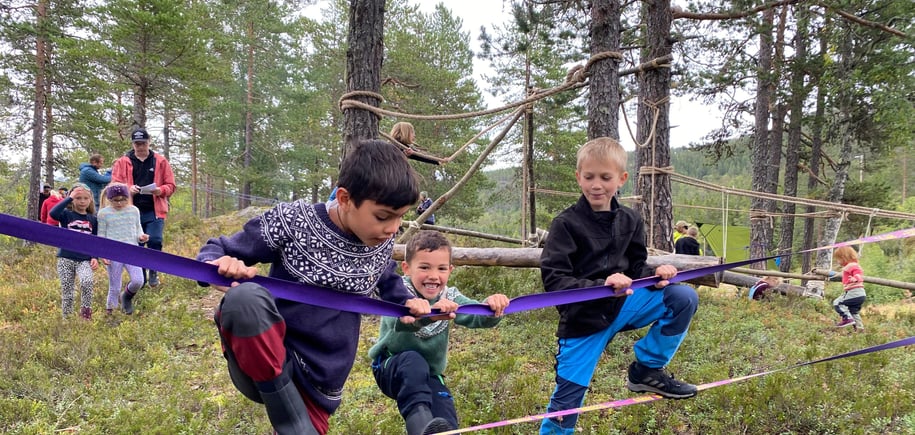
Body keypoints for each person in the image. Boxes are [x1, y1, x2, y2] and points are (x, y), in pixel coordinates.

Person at [196, 139, 436, 435]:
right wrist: (222, 264)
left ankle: (292, 421)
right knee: (245, 298)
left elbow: (388, 282)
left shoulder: (380, 243)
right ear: (345, 199)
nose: (393, 228)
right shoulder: (293, 222)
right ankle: (291, 421)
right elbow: (215, 249)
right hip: (266, 356)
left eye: (401, 217)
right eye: (383, 216)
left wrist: (410, 303)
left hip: (321, 376)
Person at [538, 137, 699, 434]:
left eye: (605, 177)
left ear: (621, 179)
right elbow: (554, 280)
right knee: (567, 404)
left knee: (682, 298)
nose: (596, 185)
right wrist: (602, 284)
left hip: (625, 305)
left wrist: (656, 271)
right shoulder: (566, 224)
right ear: (578, 177)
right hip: (583, 321)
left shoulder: (631, 219)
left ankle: (646, 369)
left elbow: (637, 266)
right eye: (589, 177)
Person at [369, 230, 509, 435]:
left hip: (430, 375)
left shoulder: (449, 297)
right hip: (390, 367)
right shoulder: (399, 293)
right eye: (424, 267)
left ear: (450, 270)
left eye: (441, 268)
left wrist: (493, 307)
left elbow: (476, 316)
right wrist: (428, 315)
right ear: (407, 268)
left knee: (446, 419)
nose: (434, 276)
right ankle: (421, 428)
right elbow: (399, 324)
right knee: (412, 361)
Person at [111, 128, 176, 288]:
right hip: (130, 211)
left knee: (155, 240)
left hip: (154, 209)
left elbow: (171, 185)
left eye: (143, 143)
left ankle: (154, 270)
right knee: (136, 245)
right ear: (133, 144)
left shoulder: (160, 161)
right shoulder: (122, 162)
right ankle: (141, 278)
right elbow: (113, 184)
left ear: (149, 142)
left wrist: (160, 190)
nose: (140, 146)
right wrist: (127, 189)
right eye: (137, 143)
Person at [97, 183, 148, 315]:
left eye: (122, 200)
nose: (119, 203)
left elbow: (137, 228)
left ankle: (125, 295)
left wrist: (141, 237)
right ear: (109, 199)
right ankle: (111, 311)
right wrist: (104, 253)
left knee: (138, 281)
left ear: (128, 197)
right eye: (115, 200)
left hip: (132, 251)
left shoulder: (134, 211)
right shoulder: (103, 214)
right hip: (113, 253)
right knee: (114, 286)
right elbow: (101, 235)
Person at [49, 184, 99, 319]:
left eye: (85, 198)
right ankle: (67, 319)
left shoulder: (93, 219)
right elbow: (53, 214)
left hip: (84, 259)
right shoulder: (66, 215)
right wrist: (69, 197)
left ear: (90, 200)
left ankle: (86, 314)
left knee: (87, 282)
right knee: (68, 291)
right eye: (78, 198)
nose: (82, 201)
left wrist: (95, 257)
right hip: (65, 258)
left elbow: (95, 240)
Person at [832, 246, 867, 331]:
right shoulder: (850, 266)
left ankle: (847, 318)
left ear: (844, 257)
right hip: (860, 294)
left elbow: (859, 273)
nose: (837, 261)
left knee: (837, 303)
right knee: (854, 312)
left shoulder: (852, 265)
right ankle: (859, 329)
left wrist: (856, 278)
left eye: (838, 259)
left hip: (854, 292)